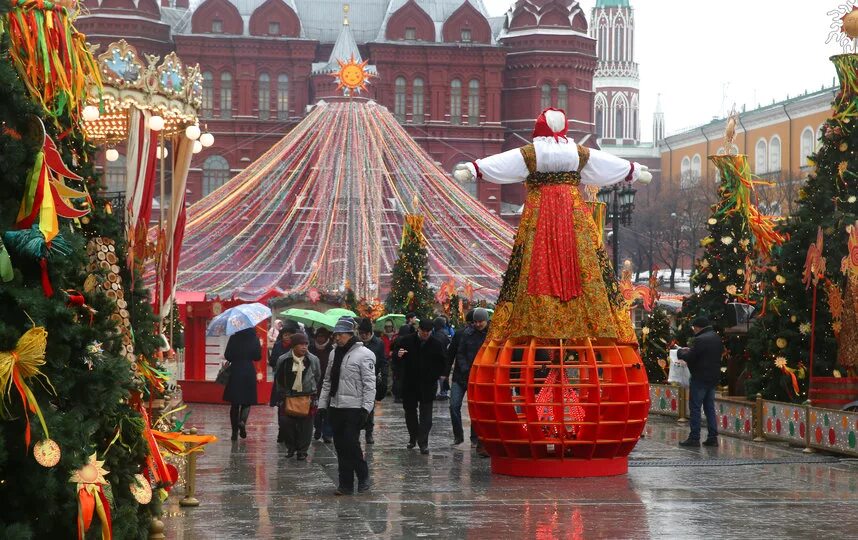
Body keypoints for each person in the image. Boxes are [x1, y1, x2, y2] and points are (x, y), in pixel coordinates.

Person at [318, 316, 376, 495]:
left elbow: (369, 384)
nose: (337, 338)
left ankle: (363, 474)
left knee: (351, 444)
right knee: (340, 446)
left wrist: (366, 409)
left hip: (354, 407)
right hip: (336, 406)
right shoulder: (334, 353)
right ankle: (345, 484)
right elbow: (327, 380)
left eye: (341, 335)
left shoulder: (364, 355)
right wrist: (322, 405)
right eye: (336, 334)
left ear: (350, 334)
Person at [393, 318, 447, 454]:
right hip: (410, 383)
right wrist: (398, 356)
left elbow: (442, 363)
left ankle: (423, 442)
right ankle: (413, 437)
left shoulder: (436, 344)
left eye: (428, 332)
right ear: (419, 329)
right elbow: (397, 357)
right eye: (424, 331)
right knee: (410, 412)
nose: (426, 334)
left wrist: (437, 375)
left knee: (426, 415)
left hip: (428, 384)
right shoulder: (407, 341)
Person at [272, 333, 321, 460]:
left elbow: (317, 376)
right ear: (293, 346)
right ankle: (291, 447)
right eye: (301, 344)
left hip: (307, 396)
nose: (304, 347)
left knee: (306, 426)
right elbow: (279, 378)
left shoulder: (313, 359)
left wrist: (311, 390)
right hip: (288, 396)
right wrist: (281, 395)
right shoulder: (283, 359)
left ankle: (302, 450)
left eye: (306, 344)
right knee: (287, 424)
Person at [677, 316, 723, 447]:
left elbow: (691, 357)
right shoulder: (716, 337)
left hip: (700, 378)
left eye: (694, 328)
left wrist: (681, 353)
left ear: (698, 327)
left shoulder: (700, 339)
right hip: (713, 378)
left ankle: (694, 437)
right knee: (709, 407)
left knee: (695, 408)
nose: (694, 330)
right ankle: (713, 437)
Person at [448, 308, 489, 449]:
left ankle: (475, 438)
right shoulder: (466, 333)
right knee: (454, 405)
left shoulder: (491, 335)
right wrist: (466, 369)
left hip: (479, 378)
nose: (478, 324)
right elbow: (459, 353)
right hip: (461, 376)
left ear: (486, 320)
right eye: (476, 322)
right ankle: (458, 436)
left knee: (475, 409)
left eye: (480, 321)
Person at [223, 327, 262, 441]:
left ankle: (234, 433)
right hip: (249, 371)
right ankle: (242, 421)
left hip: (235, 371)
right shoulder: (254, 339)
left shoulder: (234, 338)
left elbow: (227, 355)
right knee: (247, 401)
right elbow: (257, 357)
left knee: (234, 404)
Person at [358, 318, 387, 444]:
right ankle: (357, 432)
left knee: (369, 406)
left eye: (365, 333)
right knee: (357, 407)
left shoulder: (378, 343)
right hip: (357, 379)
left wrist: (384, 377)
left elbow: (383, 361)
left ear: (370, 332)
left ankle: (369, 433)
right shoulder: (357, 343)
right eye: (361, 333)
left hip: (371, 379)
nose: (363, 336)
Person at [310, 327, 335, 442]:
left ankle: (327, 433)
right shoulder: (310, 348)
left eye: (322, 336)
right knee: (316, 408)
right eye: (318, 336)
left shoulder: (332, 349)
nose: (320, 339)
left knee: (327, 408)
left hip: (328, 381)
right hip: (314, 382)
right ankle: (318, 428)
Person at [268, 329, 293, 443]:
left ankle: (289, 431)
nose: (287, 337)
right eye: (285, 334)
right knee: (281, 406)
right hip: (279, 379)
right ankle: (281, 431)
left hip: (292, 381)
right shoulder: (278, 345)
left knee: (291, 407)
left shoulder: (295, 346)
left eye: (289, 335)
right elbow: (272, 361)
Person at [432, 316, 451, 400]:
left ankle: (443, 393)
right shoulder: (445, 332)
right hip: (445, 357)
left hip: (440, 358)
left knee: (441, 376)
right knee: (443, 376)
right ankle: (444, 392)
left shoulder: (438, 335)